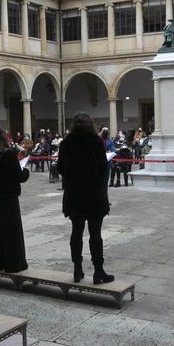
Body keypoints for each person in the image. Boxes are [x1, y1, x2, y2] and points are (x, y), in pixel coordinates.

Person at [57, 113, 114, 284]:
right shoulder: (96, 142)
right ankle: (98, 272)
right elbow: (104, 169)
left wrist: (73, 176)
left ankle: (77, 270)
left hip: (75, 196)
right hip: (94, 195)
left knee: (76, 233)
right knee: (95, 235)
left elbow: (60, 168)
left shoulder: (66, 143)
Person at [0, 129, 30, 273]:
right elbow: (20, 177)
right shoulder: (9, 155)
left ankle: (0, 262)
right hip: (8, 199)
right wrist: (25, 170)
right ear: (5, 139)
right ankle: (14, 264)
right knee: (11, 232)